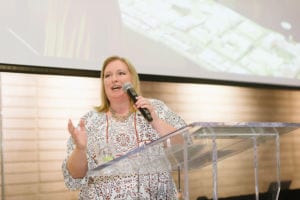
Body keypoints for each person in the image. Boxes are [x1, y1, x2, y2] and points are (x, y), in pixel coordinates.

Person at [62, 55, 187, 199]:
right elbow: (75, 176)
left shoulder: (155, 108)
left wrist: (156, 121)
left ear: (132, 79)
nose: (114, 79)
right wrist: (80, 149)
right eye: (107, 75)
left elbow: (184, 144)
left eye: (121, 73)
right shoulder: (90, 121)